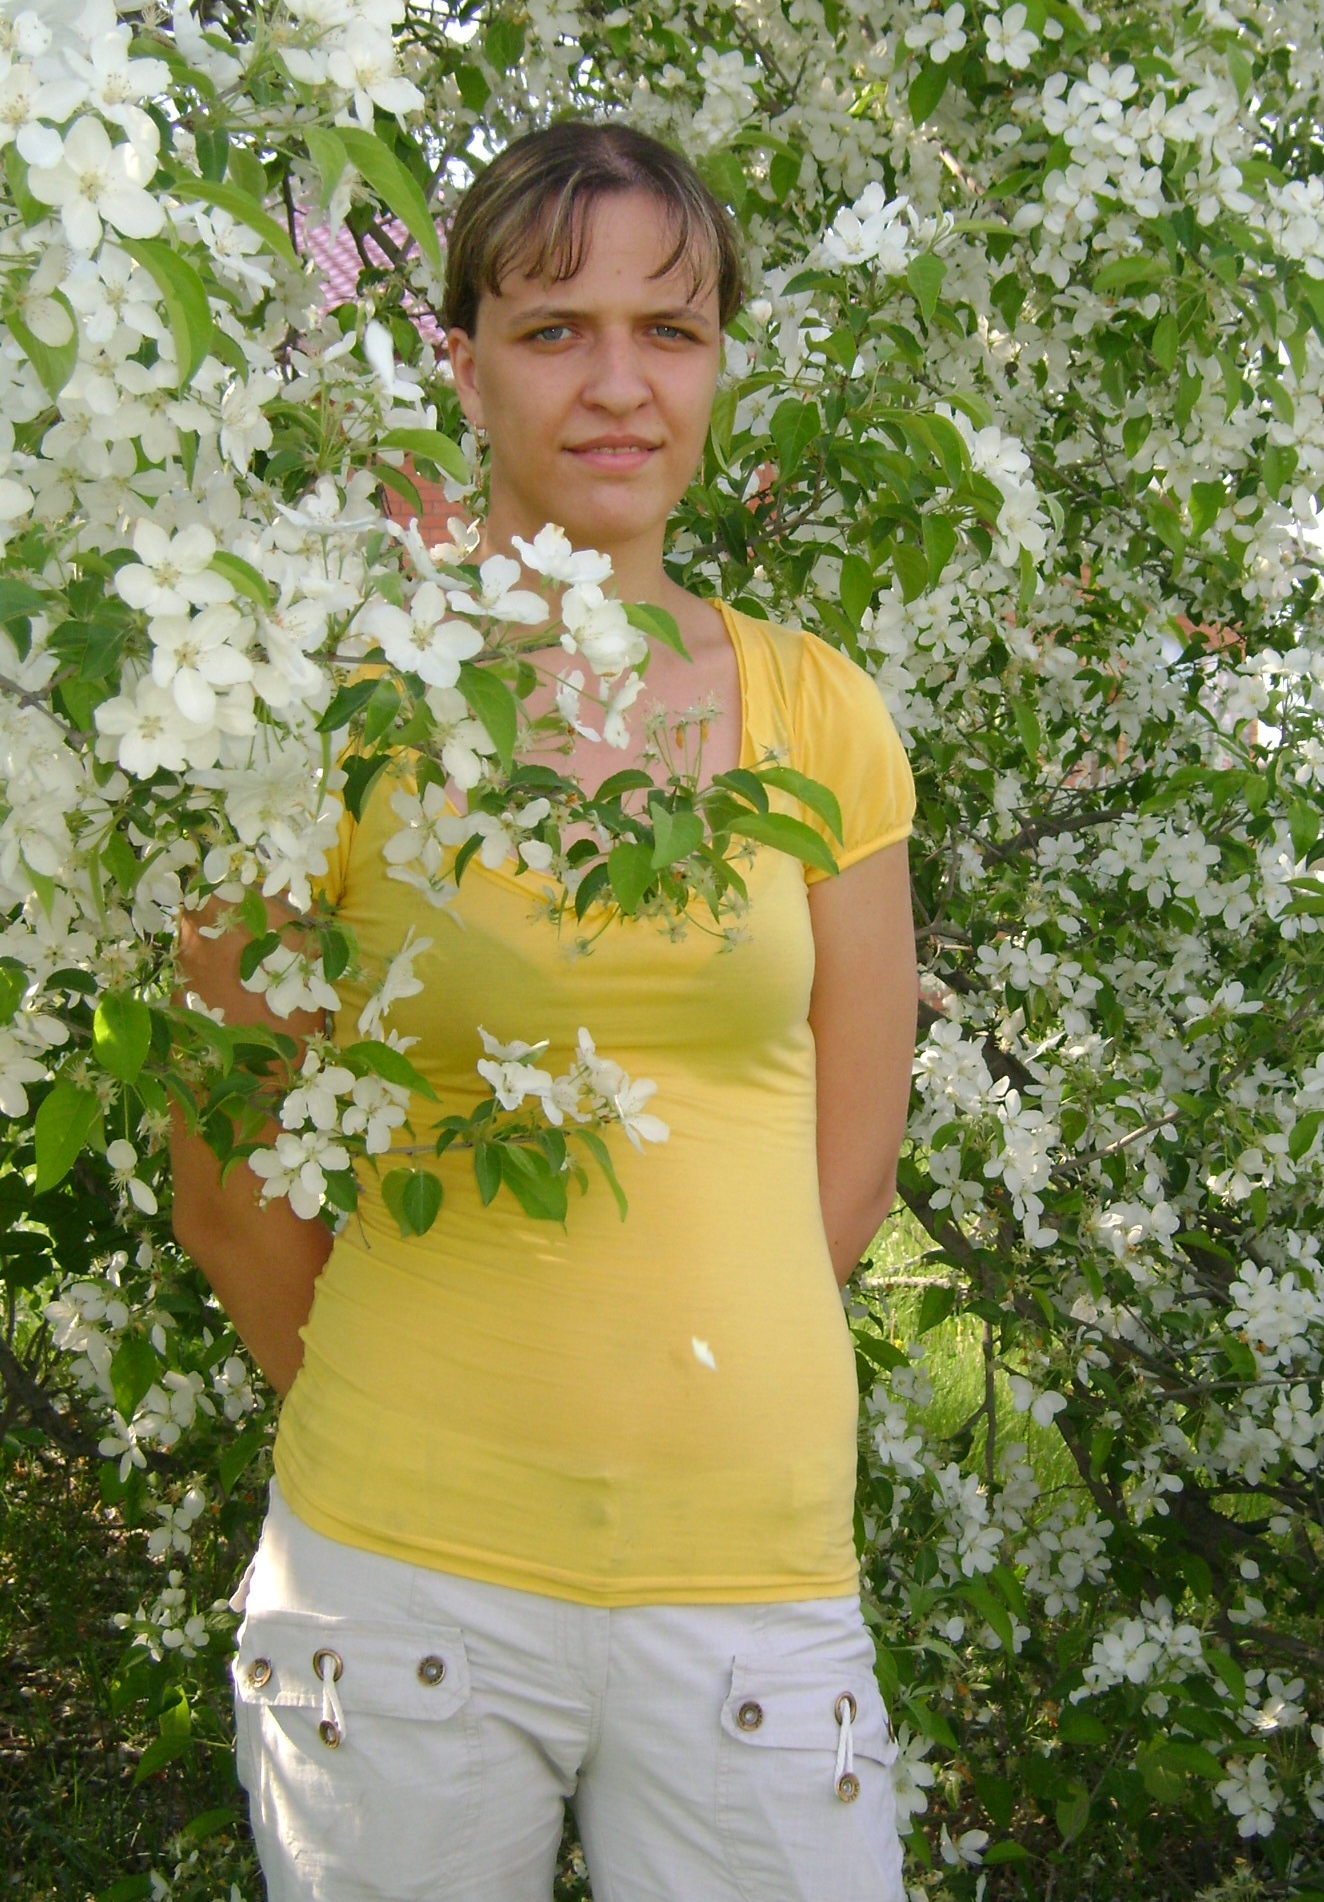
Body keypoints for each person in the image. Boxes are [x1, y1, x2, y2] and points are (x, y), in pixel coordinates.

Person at [170, 119, 920, 1902]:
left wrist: (680, 1412)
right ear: (463, 365)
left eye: (671, 331)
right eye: (554, 329)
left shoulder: (815, 713)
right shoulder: (322, 709)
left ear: (719, 365)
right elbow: (230, 1183)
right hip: (397, 1589)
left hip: (754, 1594)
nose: (619, 385)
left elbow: (852, 1163)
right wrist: (430, 1441)